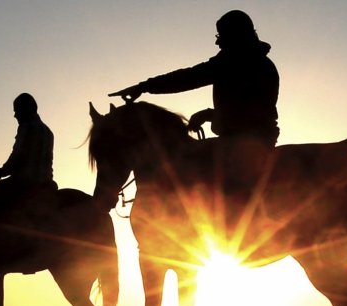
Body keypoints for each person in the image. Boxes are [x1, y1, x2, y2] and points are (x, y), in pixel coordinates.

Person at [110, 10, 279, 199]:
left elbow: (189, 77)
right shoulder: (256, 62)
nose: (217, 42)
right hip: (246, 140)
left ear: (235, 35)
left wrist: (145, 87)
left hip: (245, 144)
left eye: (221, 36)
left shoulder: (238, 62)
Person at [0, 93, 57, 198]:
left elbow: (17, 157)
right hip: (46, 183)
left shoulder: (26, 127)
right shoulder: (48, 132)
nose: (15, 115)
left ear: (25, 110)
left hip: (24, 183)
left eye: (16, 111)